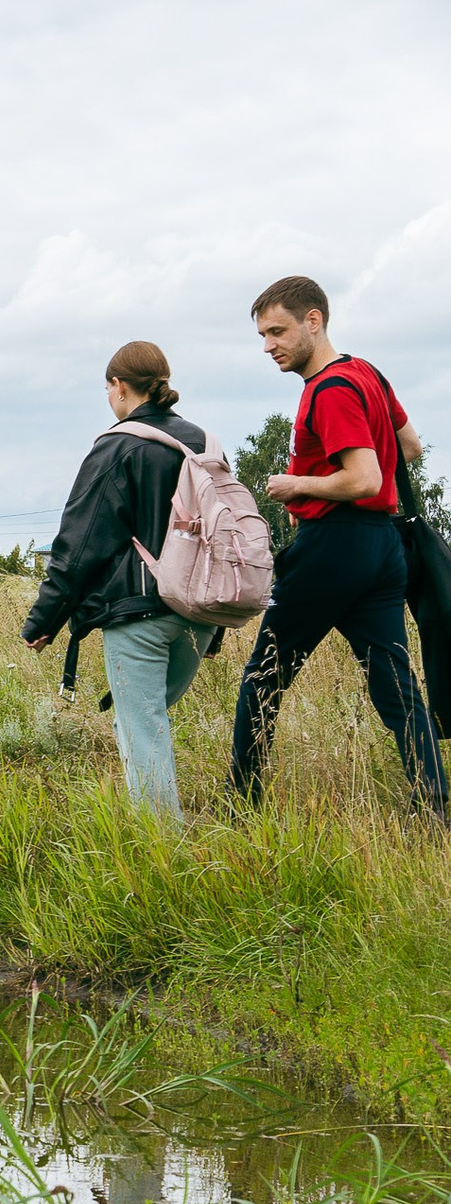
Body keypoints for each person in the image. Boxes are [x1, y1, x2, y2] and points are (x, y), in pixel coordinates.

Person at [232, 276, 445, 815]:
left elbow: (365, 479)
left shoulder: (328, 389)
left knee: (263, 676)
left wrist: (295, 484)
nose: (268, 346)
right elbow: (411, 447)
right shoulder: (367, 372)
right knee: (396, 686)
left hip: (333, 544)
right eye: (261, 335)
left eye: (277, 331)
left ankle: (240, 807)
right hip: (382, 549)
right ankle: (435, 805)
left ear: (314, 320)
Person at [20, 342, 221, 820]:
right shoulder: (206, 445)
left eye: (108, 387)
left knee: (142, 727)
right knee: (152, 721)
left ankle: (161, 855)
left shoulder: (116, 446)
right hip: (201, 614)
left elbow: (79, 543)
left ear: (118, 387)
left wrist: (44, 620)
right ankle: (167, 830)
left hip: (139, 615)